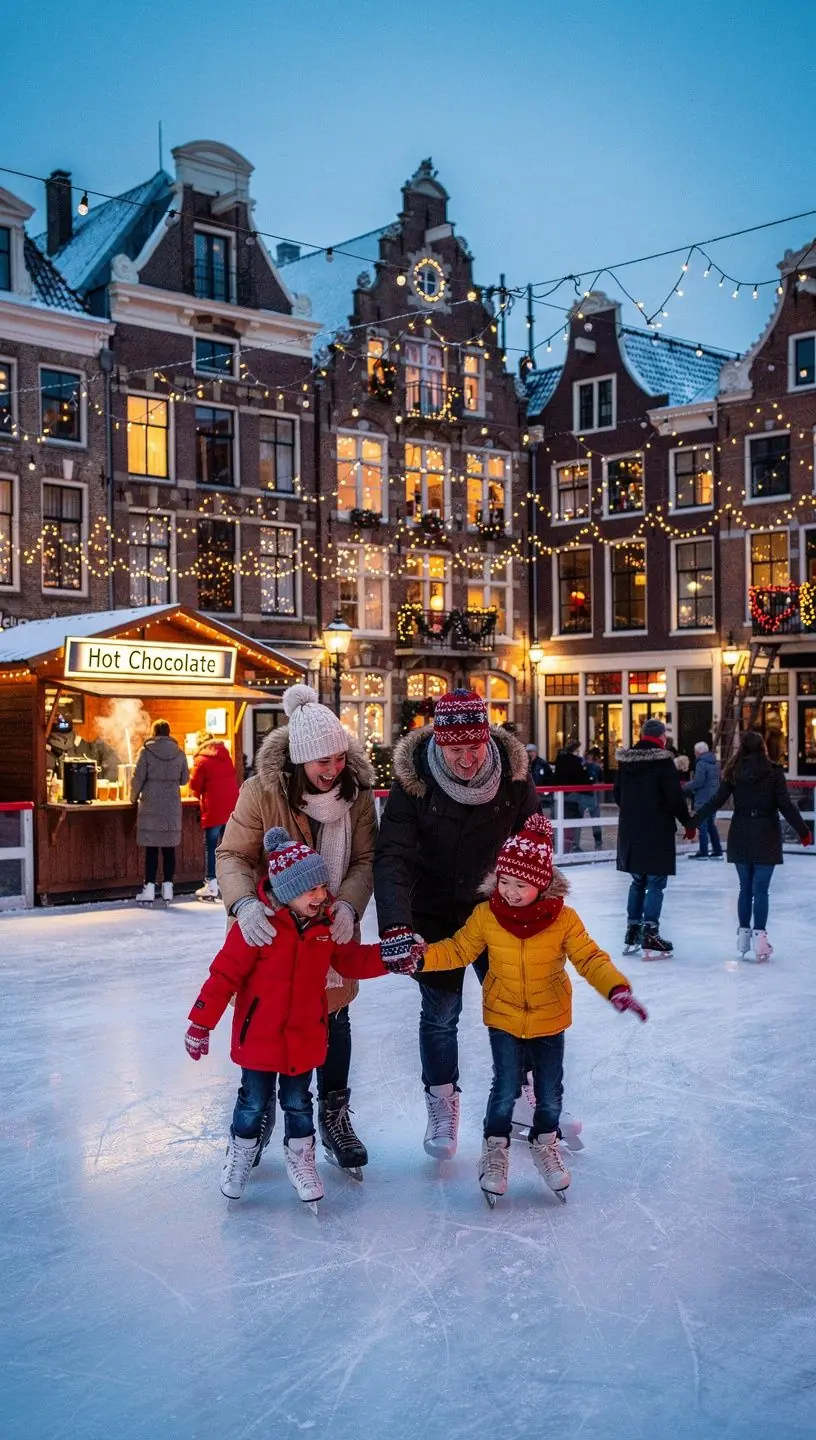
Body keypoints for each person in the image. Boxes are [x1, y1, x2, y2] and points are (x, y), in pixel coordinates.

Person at [413, 815, 647, 1203]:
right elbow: (458, 950)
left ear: (541, 883)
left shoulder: (563, 920)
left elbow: (590, 958)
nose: (508, 891)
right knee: (504, 1089)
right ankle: (495, 1148)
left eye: (519, 885)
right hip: (504, 1017)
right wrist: (423, 958)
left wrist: (616, 987)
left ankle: (545, 1143)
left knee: (550, 1093)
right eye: (504, 881)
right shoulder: (487, 915)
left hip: (549, 1018)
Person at [184, 828, 405, 1205]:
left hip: (304, 1037)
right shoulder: (257, 928)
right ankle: (240, 1153)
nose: (321, 895)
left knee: (299, 1104)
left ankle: (302, 1160)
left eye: (322, 886)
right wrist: (201, 1023)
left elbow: (352, 961)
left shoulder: (325, 928)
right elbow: (223, 976)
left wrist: (390, 956)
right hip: (258, 1039)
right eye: (311, 890)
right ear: (287, 892)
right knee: (252, 1103)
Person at [215, 684, 377, 1175]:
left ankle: (333, 1113)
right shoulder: (261, 791)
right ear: (298, 761)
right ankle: (260, 1108)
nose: (332, 769)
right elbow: (233, 855)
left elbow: (366, 858)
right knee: (267, 1018)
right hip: (274, 931)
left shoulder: (358, 796)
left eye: (338, 757)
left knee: (335, 1019)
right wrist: (244, 904)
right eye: (320, 761)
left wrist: (347, 906)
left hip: (331, 928)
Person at [373, 688, 540, 1159]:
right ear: (439, 745)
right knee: (442, 1014)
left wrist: (537, 905)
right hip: (435, 913)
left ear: (487, 740)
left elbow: (532, 844)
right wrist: (395, 927)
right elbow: (394, 857)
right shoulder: (416, 783)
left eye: (474, 747)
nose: (466, 760)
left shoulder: (512, 776)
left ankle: (522, 1094)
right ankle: (442, 1103)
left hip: (495, 909)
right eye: (455, 750)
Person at [690, 730, 811, 960]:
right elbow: (785, 805)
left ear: (742, 748)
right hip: (766, 832)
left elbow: (716, 801)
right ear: (763, 747)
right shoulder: (773, 772)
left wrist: (693, 822)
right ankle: (760, 941)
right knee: (761, 889)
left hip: (741, 832)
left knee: (745, 887)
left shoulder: (735, 772)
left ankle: (744, 936)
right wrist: (803, 832)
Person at [614, 717, 694, 957]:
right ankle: (650, 932)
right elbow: (675, 798)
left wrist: (632, 812)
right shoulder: (663, 762)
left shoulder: (625, 762)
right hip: (657, 831)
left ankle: (632, 929)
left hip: (631, 831)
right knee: (656, 883)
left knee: (638, 881)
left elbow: (617, 793)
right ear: (663, 738)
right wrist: (688, 824)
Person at [131, 719, 189, 904]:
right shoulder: (179, 753)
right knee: (169, 848)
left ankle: (148, 889)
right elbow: (184, 779)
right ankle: (168, 888)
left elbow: (137, 777)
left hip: (151, 803)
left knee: (151, 849)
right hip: (171, 805)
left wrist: (133, 797)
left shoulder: (146, 751)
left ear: (154, 732)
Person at [188, 731, 240, 900]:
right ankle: (228, 884)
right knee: (227, 849)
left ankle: (211, 884)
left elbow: (194, 787)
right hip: (231, 807)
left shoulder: (201, 760)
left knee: (212, 847)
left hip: (214, 809)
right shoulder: (226, 756)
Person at [683, 741, 723, 860]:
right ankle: (717, 850)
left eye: (695, 752)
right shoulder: (715, 762)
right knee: (711, 825)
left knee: (702, 826)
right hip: (713, 799)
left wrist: (684, 786)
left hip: (703, 799)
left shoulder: (701, 763)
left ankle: (703, 852)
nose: (695, 754)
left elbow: (698, 782)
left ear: (698, 752)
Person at [554, 738, 587, 853]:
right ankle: (573, 845)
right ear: (576, 748)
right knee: (575, 821)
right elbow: (582, 778)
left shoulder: (559, 759)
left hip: (561, 794)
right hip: (574, 795)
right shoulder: (577, 761)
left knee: (562, 820)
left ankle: (561, 845)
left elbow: (557, 776)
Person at [582, 744, 604, 850]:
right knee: (593, 817)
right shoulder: (582, 767)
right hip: (584, 794)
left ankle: (598, 839)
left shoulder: (596, 768)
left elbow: (600, 781)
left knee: (595, 818)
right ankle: (575, 841)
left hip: (591, 795)